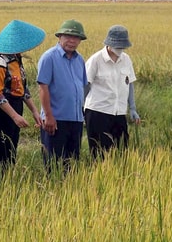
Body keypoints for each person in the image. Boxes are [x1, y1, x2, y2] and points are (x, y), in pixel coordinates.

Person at [0, 20, 45, 173]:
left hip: (16, 106)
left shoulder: (16, 60)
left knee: (11, 151)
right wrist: (15, 116)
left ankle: (7, 184)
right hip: (2, 112)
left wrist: (34, 111)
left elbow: (22, 88)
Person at [83, 25, 141, 159]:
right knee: (100, 154)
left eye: (122, 47)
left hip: (119, 112)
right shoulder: (96, 60)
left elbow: (129, 83)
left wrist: (132, 108)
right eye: (117, 46)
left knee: (121, 152)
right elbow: (86, 86)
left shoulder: (126, 59)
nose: (120, 49)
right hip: (98, 112)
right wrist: (81, 109)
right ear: (108, 43)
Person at [38, 19, 87, 173]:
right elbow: (43, 87)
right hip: (55, 119)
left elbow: (82, 87)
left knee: (72, 163)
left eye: (76, 38)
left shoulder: (80, 60)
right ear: (59, 37)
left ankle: (70, 194)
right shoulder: (49, 57)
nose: (71, 41)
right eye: (68, 36)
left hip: (76, 119)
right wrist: (48, 116)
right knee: (53, 164)